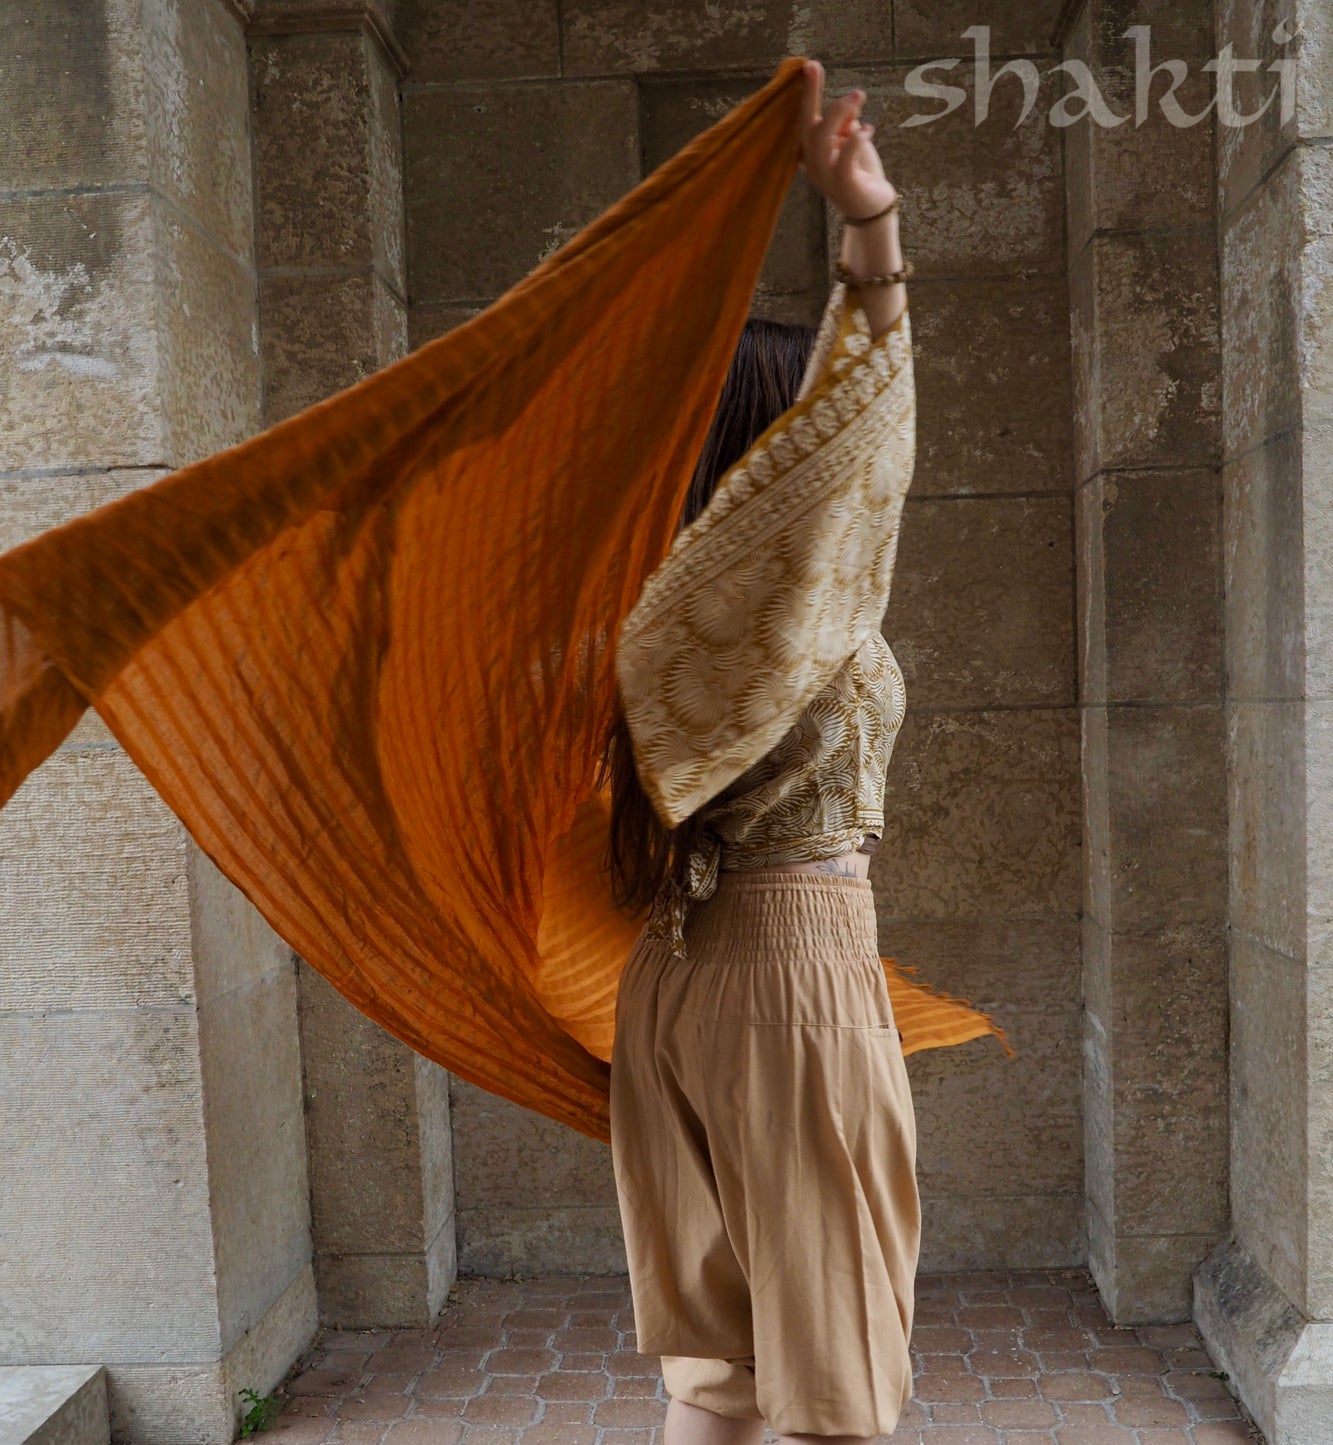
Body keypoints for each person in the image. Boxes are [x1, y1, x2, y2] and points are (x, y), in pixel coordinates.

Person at [603, 60, 919, 1443]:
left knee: (718, 1375)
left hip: (668, 981)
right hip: (792, 971)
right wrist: (870, 231)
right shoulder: (784, 600)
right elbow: (869, 419)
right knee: (830, 1382)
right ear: (781, 464)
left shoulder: (643, 606)